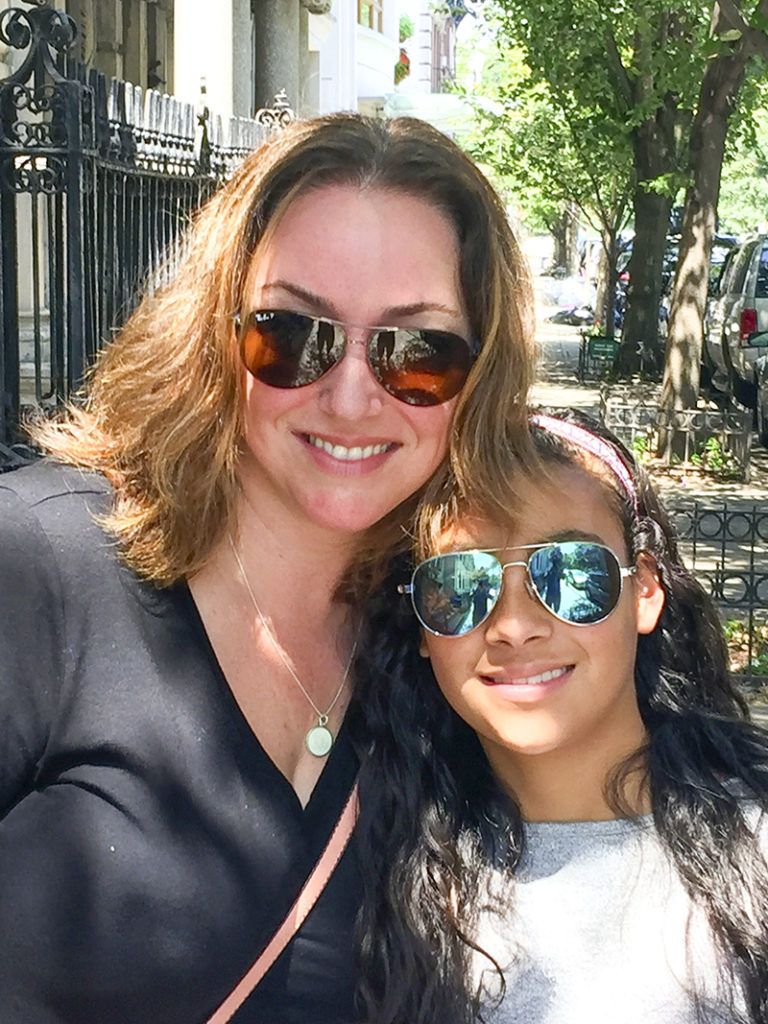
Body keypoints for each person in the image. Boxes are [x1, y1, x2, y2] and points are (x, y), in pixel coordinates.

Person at [0, 113, 536, 1024]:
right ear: (218, 335)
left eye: (418, 351)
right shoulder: (40, 567)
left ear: (477, 377)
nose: (352, 396)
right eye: (292, 334)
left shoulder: (453, 637)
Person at [355, 410, 768, 1024]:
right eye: (461, 584)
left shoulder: (755, 849)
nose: (515, 626)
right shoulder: (370, 874)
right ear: (419, 624)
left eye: (571, 574)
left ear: (643, 591)